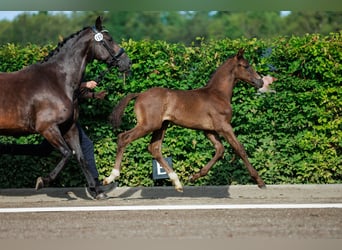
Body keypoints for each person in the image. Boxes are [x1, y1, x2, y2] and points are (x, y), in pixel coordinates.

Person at [0, 80, 114, 200]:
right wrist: (84, 85)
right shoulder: (60, 71)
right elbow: (60, 86)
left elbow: (72, 93)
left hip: (65, 117)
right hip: (58, 117)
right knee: (81, 146)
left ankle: (95, 185)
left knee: (44, 150)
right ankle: (95, 186)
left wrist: (93, 95)